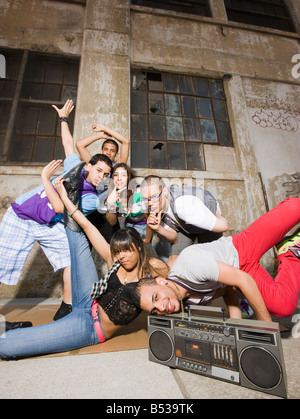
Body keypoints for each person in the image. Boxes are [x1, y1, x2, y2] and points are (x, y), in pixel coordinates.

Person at [0, 169, 169, 360]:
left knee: (8, 347)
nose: (122, 256)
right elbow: (89, 228)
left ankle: (12, 333)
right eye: (118, 251)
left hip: (89, 326)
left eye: (127, 250)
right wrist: (65, 199)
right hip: (87, 299)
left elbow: (174, 290)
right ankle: (72, 194)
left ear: (139, 249)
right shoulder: (115, 260)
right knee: (78, 231)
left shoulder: (153, 268)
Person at [0, 100, 112, 321]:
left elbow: (60, 207)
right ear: (88, 166)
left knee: (70, 261)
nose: (101, 176)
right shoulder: (75, 168)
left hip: (49, 223)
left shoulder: (91, 198)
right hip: (21, 216)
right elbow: (68, 143)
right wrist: (63, 118)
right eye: (98, 170)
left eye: (106, 174)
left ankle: (66, 308)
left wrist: (45, 179)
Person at [135, 198, 300, 322]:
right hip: (243, 273)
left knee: (295, 207)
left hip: (242, 248)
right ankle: (289, 252)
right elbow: (227, 288)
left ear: (161, 282)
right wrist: (236, 324)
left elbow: (243, 280)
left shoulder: (190, 265)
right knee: (284, 307)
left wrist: (266, 328)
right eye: (155, 311)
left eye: (156, 298)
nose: (161, 308)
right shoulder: (188, 300)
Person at [140, 175, 229, 267]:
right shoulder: (152, 207)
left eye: (154, 196)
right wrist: (158, 228)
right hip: (183, 225)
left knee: (210, 262)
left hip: (204, 219)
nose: (150, 203)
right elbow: (174, 238)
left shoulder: (183, 205)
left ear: (165, 191)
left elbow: (223, 226)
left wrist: (216, 211)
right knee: (173, 262)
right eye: (146, 199)